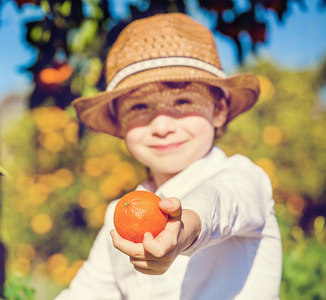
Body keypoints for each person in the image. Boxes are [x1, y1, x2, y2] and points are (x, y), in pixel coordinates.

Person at [55, 13, 282, 300]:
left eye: (184, 102)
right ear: (119, 123)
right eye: (139, 107)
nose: (162, 127)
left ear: (219, 110)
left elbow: (220, 202)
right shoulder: (118, 216)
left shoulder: (244, 177)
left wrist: (183, 229)